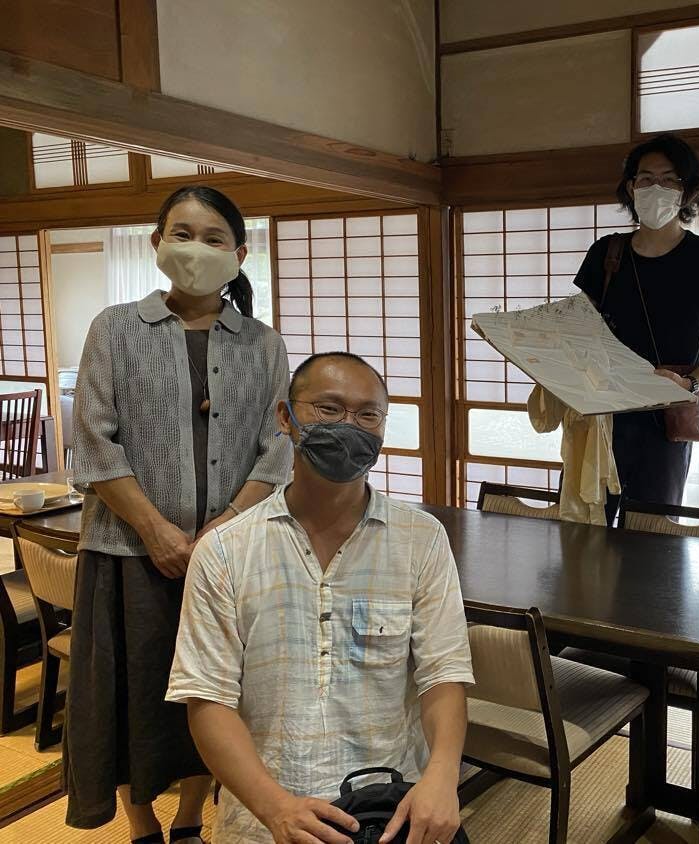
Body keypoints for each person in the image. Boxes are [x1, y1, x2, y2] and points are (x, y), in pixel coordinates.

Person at [167, 352, 474, 844]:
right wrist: (276, 809)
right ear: (286, 417)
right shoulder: (225, 551)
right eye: (328, 409)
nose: (348, 426)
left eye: (367, 415)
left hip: (391, 808)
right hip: (263, 817)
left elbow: (443, 674)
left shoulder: (422, 539)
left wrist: (442, 776)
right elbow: (207, 699)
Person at [67, 185, 292, 842]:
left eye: (214, 237)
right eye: (182, 234)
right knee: (132, 695)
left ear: (240, 253)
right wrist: (155, 530)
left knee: (216, 690)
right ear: (157, 244)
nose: (196, 249)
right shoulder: (115, 328)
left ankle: (191, 818)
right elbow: (94, 441)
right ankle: (141, 824)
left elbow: (278, 447)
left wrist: (223, 529)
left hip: (230, 559)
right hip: (127, 554)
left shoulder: (263, 344)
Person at [573, 133, 699, 524]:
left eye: (668, 179)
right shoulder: (606, 252)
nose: (655, 188)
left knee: (651, 536)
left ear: (687, 190)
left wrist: (690, 384)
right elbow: (579, 329)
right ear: (631, 187)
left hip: (665, 418)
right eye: (645, 178)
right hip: (601, 414)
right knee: (583, 529)